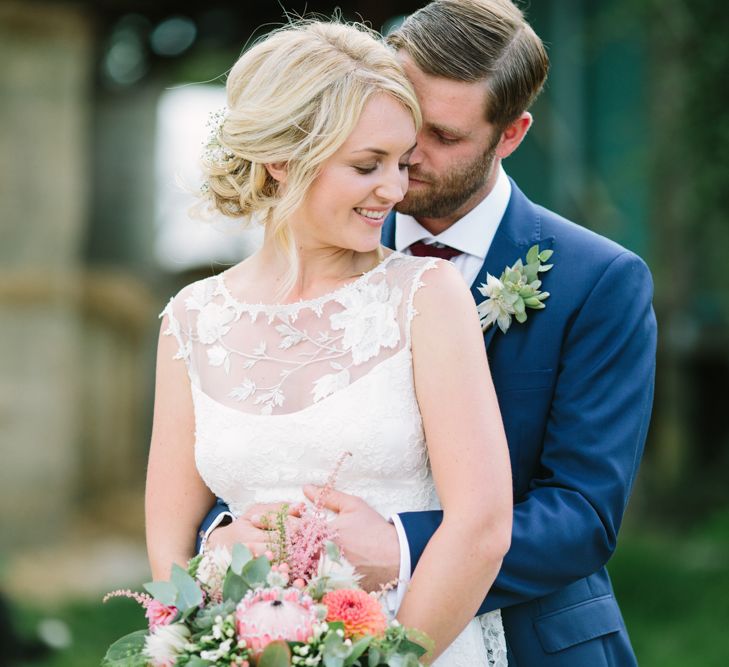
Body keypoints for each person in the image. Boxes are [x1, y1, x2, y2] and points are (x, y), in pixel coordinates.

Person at [199, 1, 657, 666]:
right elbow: (255, 428)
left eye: (441, 135)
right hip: (303, 630)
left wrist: (399, 546)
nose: (406, 154)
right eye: (399, 115)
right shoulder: (315, 247)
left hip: (531, 642)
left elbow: (582, 513)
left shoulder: (600, 281)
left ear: (510, 135)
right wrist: (233, 534)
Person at [146, 19, 513, 665]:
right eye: (367, 165)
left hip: (419, 644)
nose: (395, 190)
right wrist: (207, 621)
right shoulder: (191, 318)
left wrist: (389, 660)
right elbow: (168, 544)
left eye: (400, 163)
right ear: (282, 158)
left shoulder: (425, 297)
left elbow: (481, 527)